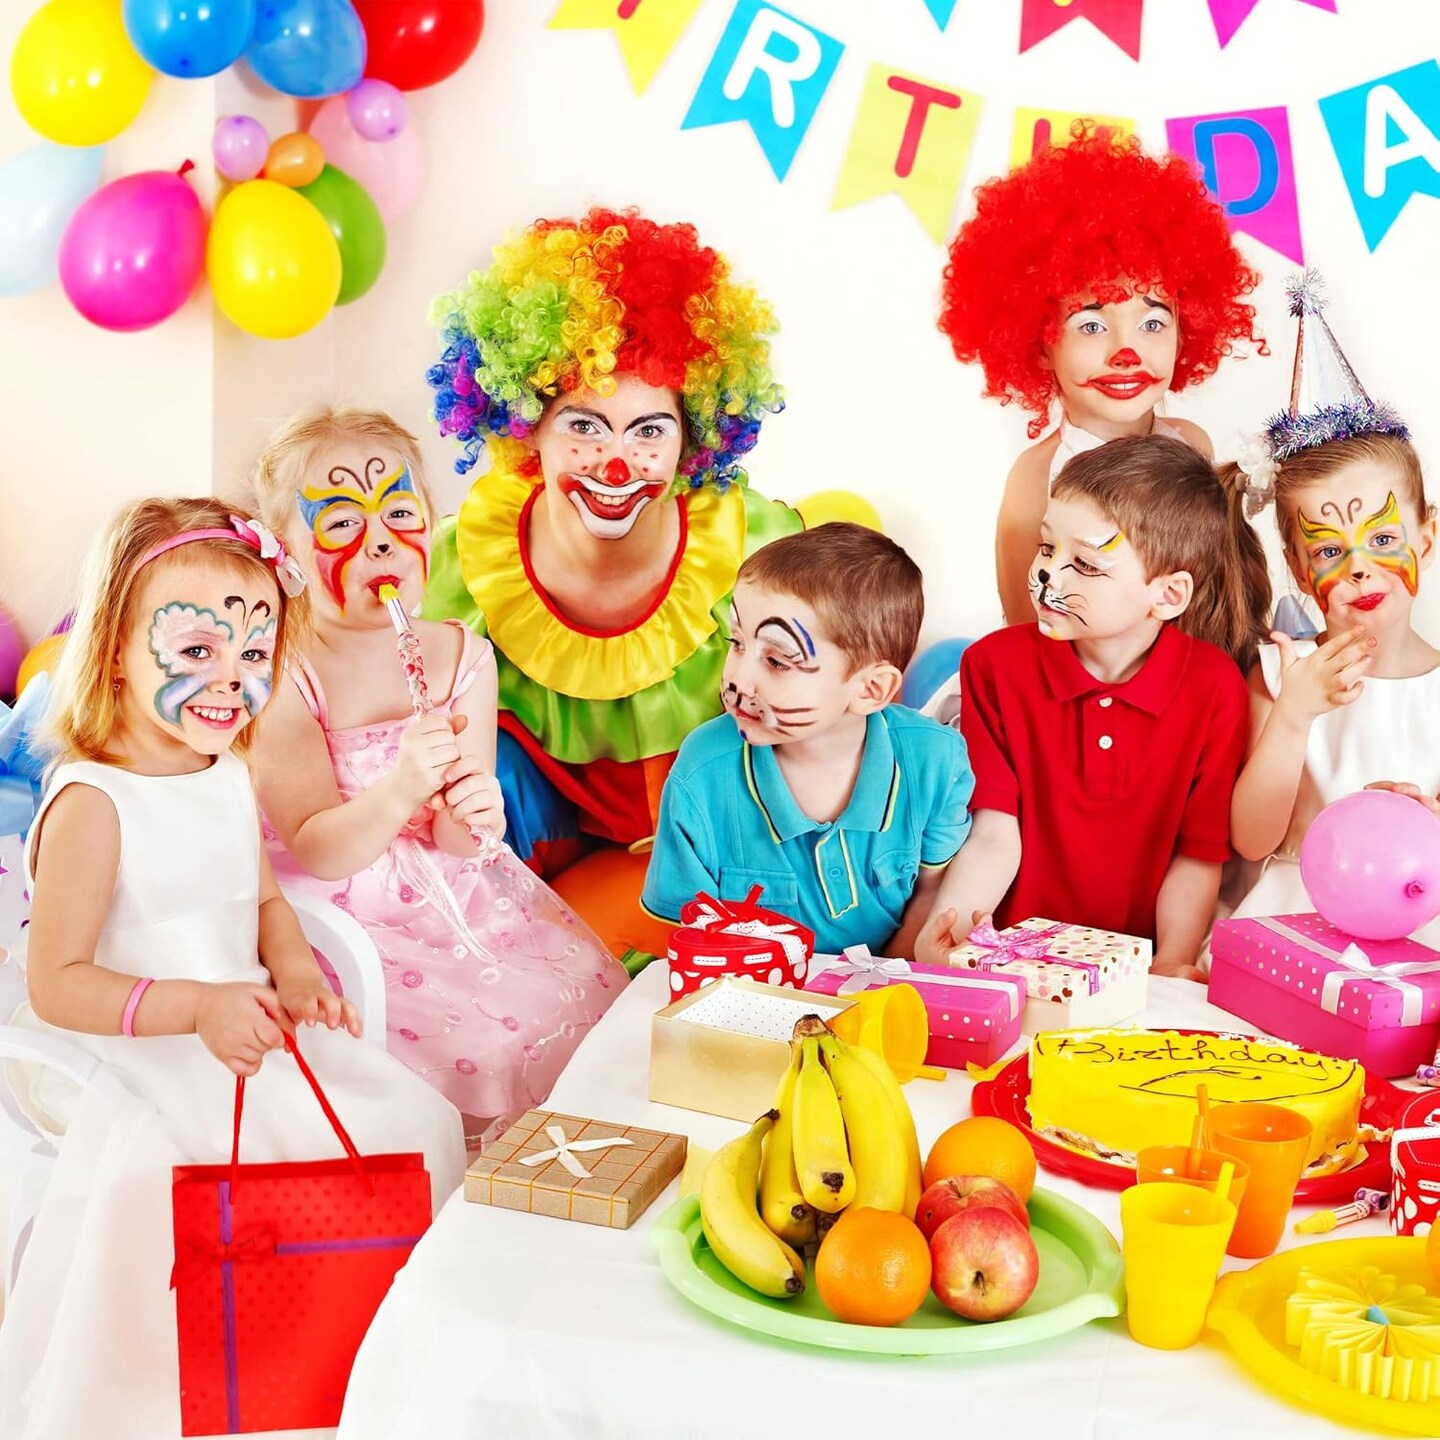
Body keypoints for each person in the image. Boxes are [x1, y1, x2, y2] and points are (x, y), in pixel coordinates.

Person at [0, 497, 464, 1440]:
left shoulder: (221, 772)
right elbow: (57, 983)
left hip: (240, 1026)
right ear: (114, 651)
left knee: (411, 1118)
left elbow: (261, 906)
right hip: (130, 1046)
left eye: (255, 653)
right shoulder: (94, 803)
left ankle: (338, 1360)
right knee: (228, 1162)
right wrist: (200, 1008)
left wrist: (295, 975)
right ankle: (196, 1382)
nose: (231, 681)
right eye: (197, 649)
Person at [423, 206, 801, 956]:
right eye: (584, 426)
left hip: (697, 843)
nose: (617, 464)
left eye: (649, 430)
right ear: (526, 425)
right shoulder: (472, 563)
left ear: (693, 438)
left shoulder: (751, 551)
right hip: (536, 838)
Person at [249, 407, 630, 1142]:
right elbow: (317, 847)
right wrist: (399, 788)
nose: (380, 541)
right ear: (287, 556)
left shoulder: (462, 656)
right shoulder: (281, 671)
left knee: (571, 1008)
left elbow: (460, 841)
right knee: (472, 1044)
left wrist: (476, 812)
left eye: (398, 513)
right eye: (341, 523)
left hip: (459, 900)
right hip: (339, 914)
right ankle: (438, 1172)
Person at [915, 434, 1269, 980]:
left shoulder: (1215, 687)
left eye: (1085, 563)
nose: (1048, 576)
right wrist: (953, 927)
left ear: (1168, 595)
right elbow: (992, 832)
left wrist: (1173, 959)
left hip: (1133, 977)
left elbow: (1198, 855)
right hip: (1010, 964)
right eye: (1046, 547)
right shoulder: (993, 667)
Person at [938, 123, 1265, 625]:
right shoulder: (1035, 480)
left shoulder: (1191, 445)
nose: (1126, 353)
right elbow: (1026, 637)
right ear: (1039, 344)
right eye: (1091, 325)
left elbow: (1216, 600)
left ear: (1187, 329)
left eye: (1152, 323)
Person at [643, 523, 972, 958]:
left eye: (777, 661)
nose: (739, 679)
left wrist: (876, 983)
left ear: (870, 690)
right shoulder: (702, 771)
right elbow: (690, 938)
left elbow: (932, 893)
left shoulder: (936, 761)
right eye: (736, 643)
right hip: (747, 989)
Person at [1226, 273, 1439, 933]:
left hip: (1418, 923)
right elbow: (1251, 841)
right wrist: (1294, 714)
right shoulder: (1278, 674)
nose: (1359, 567)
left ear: (1427, 539)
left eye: (1383, 539)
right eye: (1327, 550)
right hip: (1295, 920)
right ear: (1297, 567)